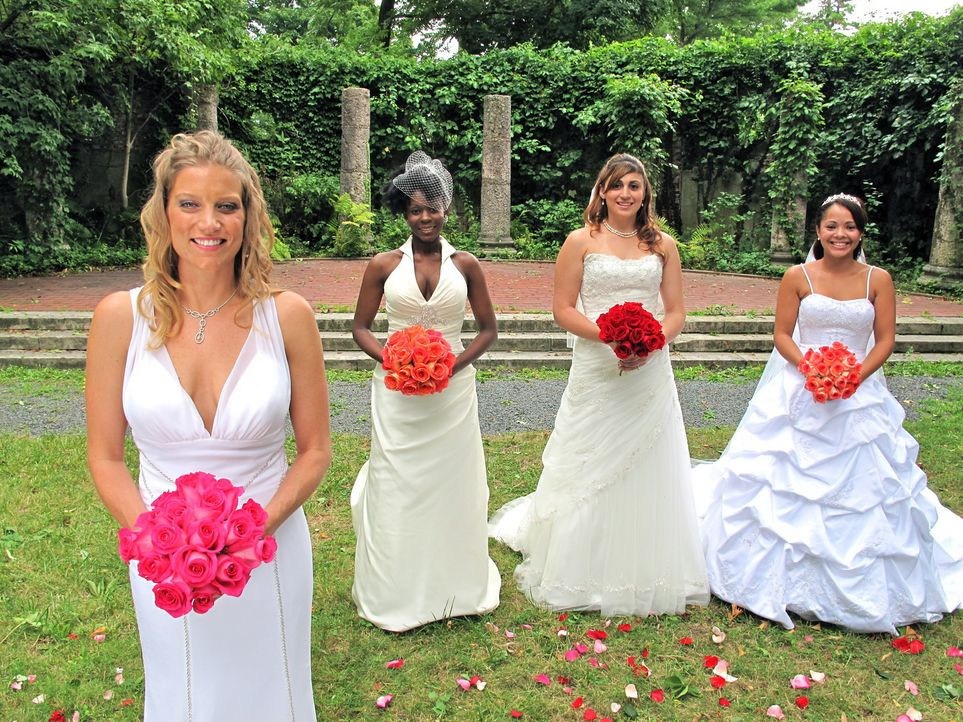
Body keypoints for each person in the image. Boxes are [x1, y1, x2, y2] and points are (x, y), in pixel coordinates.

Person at [86, 130, 331, 720]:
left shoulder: (288, 316)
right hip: (165, 558)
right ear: (163, 212)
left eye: (227, 205)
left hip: (267, 549)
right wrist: (154, 542)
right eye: (190, 203)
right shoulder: (120, 317)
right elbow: (105, 457)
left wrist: (251, 533)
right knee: (184, 693)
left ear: (248, 217)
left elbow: (316, 450)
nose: (209, 222)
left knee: (274, 692)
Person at [692, 193, 963, 634]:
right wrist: (812, 369)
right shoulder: (797, 276)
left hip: (859, 395)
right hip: (800, 391)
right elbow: (781, 335)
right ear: (818, 231)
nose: (841, 235)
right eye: (832, 226)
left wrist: (853, 377)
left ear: (861, 233)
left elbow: (884, 340)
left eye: (850, 227)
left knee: (866, 488)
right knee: (779, 484)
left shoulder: (879, 279)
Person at [489, 153, 709, 616]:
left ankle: (647, 561)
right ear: (602, 192)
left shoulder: (664, 245)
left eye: (635, 185)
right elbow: (564, 308)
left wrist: (648, 345)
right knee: (588, 457)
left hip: (649, 369)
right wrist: (611, 339)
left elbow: (675, 311)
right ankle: (580, 563)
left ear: (645, 192)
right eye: (618, 185)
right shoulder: (579, 241)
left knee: (647, 458)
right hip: (596, 361)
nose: (626, 193)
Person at [350, 151, 501, 632]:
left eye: (432, 208)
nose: (425, 217)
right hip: (396, 391)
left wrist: (449, 366)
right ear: (405, 214)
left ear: (447, 208)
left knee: (451, 482)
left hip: (453, 394)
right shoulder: (382, 264)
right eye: (415, 210)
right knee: (398, 481)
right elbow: (359, 328)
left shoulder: (467, 264)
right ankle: (394, 586)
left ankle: (454, 582)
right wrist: (395, 361)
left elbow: (488, 330)